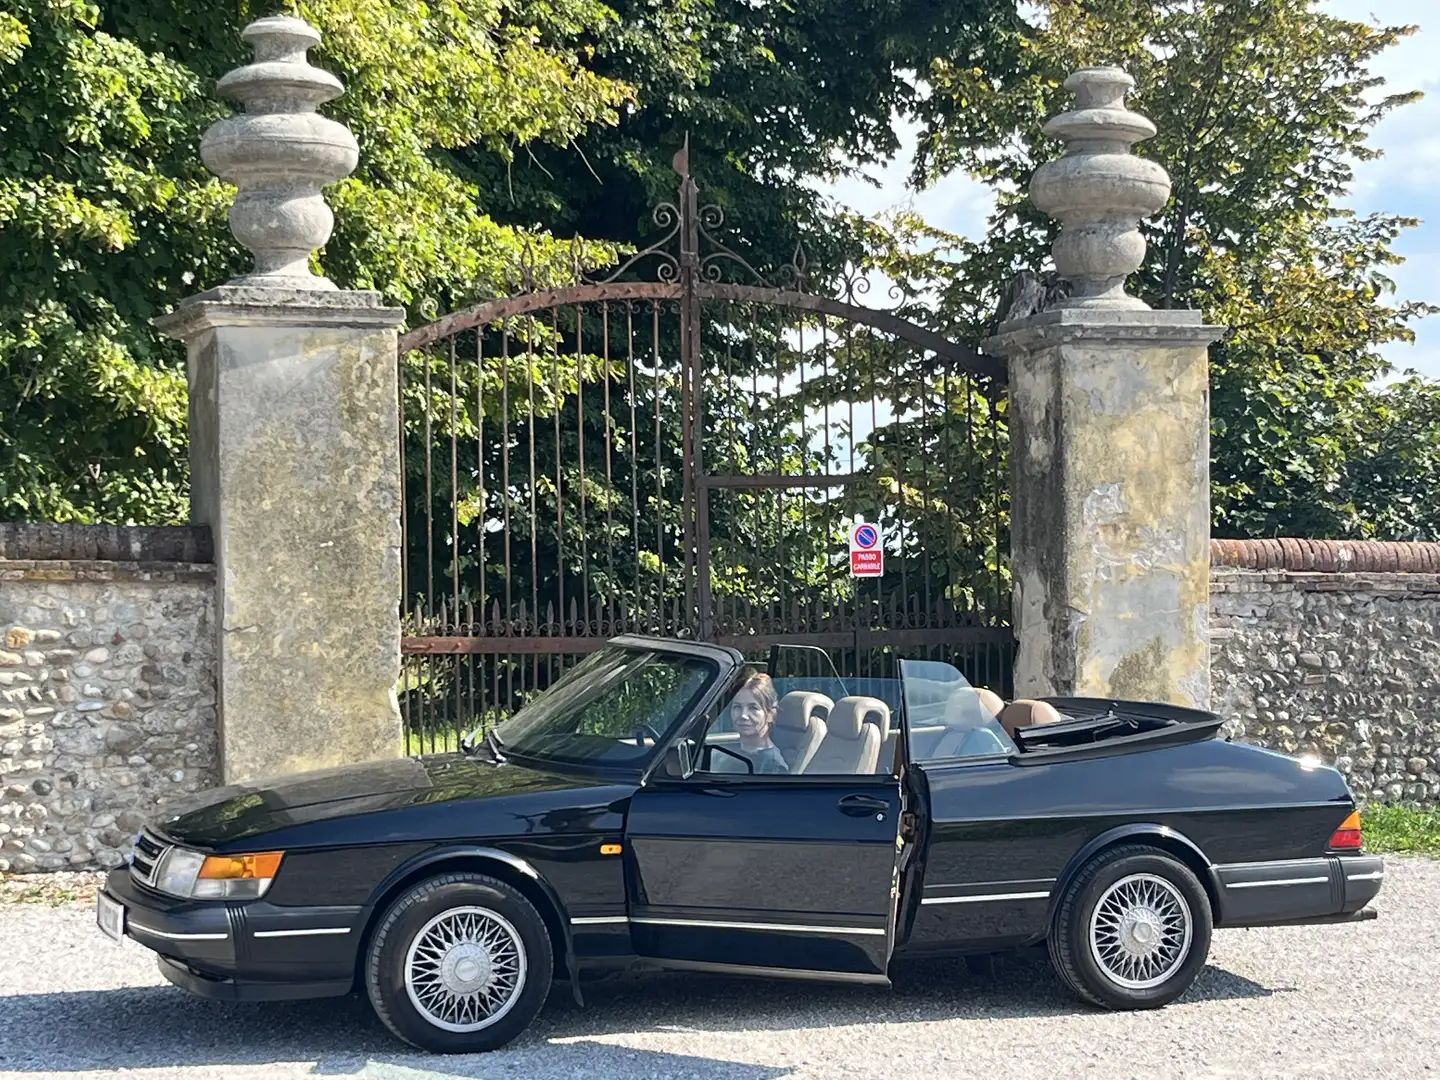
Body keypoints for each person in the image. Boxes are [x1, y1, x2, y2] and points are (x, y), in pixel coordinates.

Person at [708, 670, 789, 775]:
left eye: (753, 708)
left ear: (770, 714)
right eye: (737, 707)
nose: (743, 715)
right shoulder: (725, 752)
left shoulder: (773, 765)